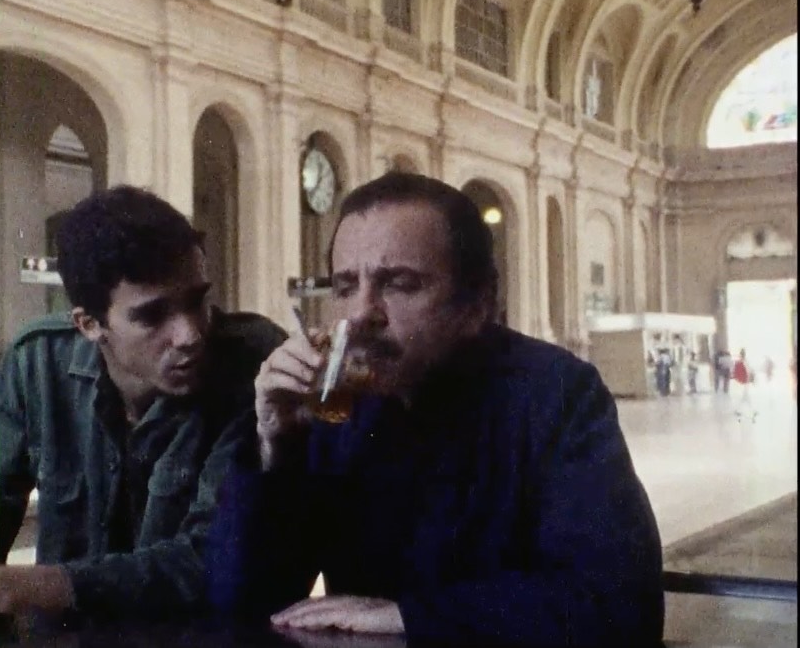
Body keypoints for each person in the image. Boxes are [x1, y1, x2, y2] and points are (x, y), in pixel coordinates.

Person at [207, 173, 664, 647]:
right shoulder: (333, 409)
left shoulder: (556, 394)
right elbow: (242, 603)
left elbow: (620, 606)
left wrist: (410, 616)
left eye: (400, 284)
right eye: (345, 287)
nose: (361, 313)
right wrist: (273, 451)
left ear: (478, 303)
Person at [0, 185, 286, 636]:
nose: (189, 334)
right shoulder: (37, 365)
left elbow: (207, 561)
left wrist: (2, 587)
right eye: (152, 316)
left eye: (197, 300)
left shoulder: (254, 365)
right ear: (89, 324)